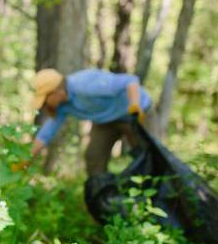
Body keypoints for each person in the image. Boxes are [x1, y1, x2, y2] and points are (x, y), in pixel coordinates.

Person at [14, 68, 152, 175]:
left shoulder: (85, 85)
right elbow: (45, 134)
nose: (44, 105)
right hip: (105, 120)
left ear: (57, 92)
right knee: (94, 157)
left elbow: (130, 81)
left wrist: (135, 106)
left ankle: (152, 199)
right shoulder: (62, 107)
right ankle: (104, 203)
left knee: (147, 156)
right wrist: (26, 159)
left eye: (45, 100)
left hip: (135, 112)